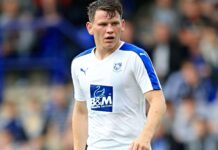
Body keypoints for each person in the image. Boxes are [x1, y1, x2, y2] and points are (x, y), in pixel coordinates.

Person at [71, 0, 166, 150]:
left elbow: (158, 100)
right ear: (90, 28)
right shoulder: (79, 63)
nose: (110, 30)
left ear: (122, 25)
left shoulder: (135, 57)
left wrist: (145, 137)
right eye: (103, 24)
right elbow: (81, 111)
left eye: (114, 23)